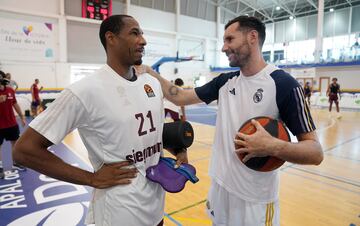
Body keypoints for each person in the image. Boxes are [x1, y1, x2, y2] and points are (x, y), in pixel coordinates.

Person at [140, 15, 323, 226]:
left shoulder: (283, 84)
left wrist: (274, 146)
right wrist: (150, 72)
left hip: (255, 200)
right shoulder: (225, 82)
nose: (224, 47)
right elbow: (179, 96)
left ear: (252, 37)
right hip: (221, 189)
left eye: (230, 39)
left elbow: (315, 152)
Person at [13, 15, 187, 226]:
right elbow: (24, 150)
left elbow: (149, 132)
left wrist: (176, 148)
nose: (143, 40)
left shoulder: (151, 83)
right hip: (119, 212)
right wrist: (91, 178)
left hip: (156, 205)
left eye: (141, 33)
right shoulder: (85, 90)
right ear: (111, 38)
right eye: (134, 33)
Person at [0, 71, 27, 179]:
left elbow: (15, 104)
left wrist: (22, 116)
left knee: (15, 144)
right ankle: (0, 168)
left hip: (11, 123)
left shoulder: (10, 90)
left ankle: (16, 163)